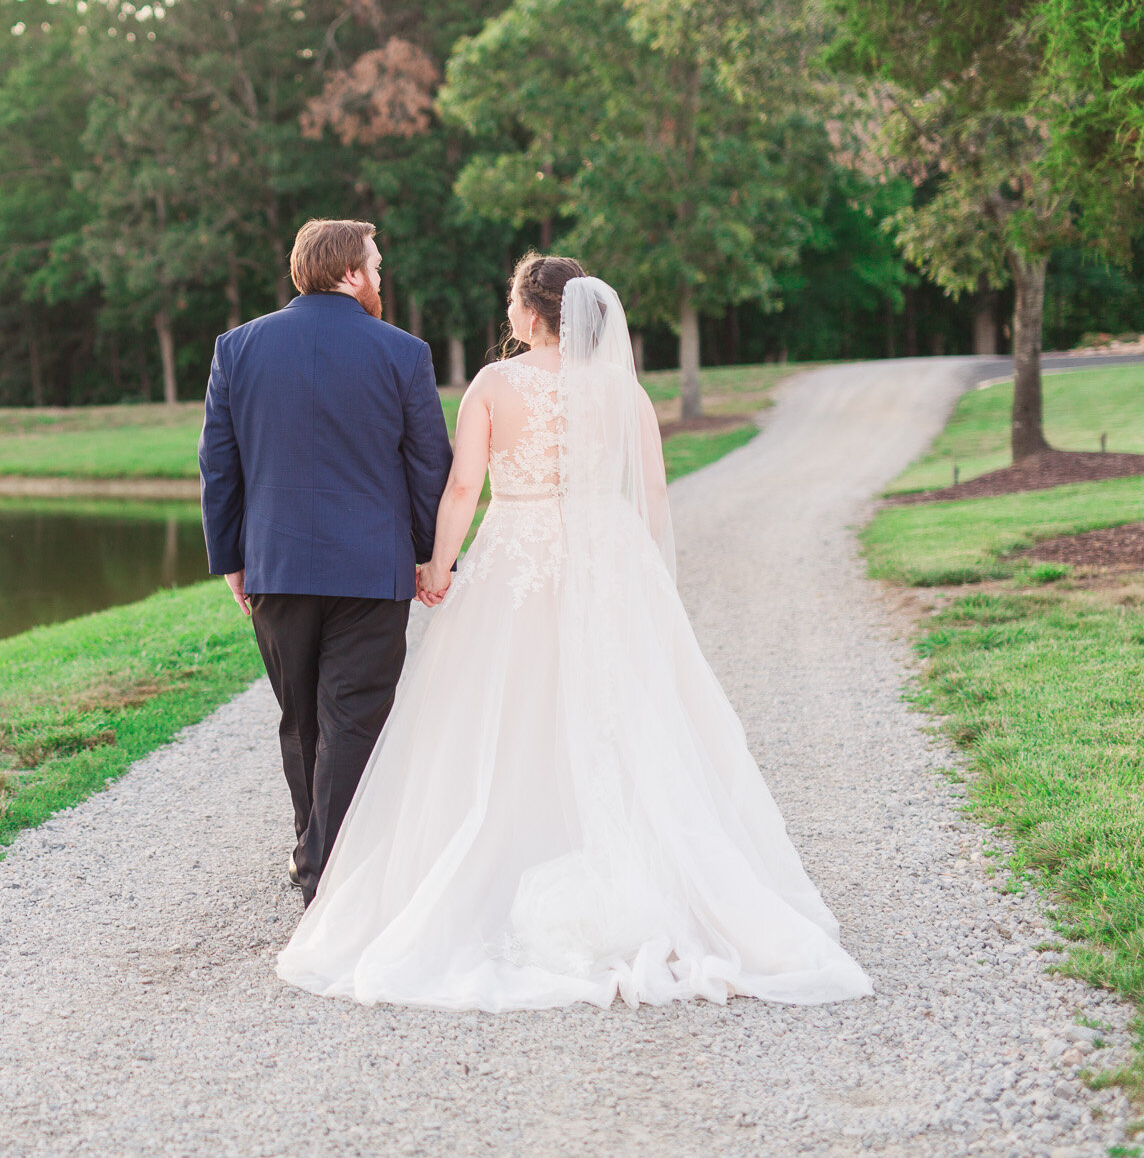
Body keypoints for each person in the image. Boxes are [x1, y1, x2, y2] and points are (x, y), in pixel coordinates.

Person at [275, 254, 874, 1010]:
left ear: (531, 312)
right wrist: (645, 577)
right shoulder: (624, 390)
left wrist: (438, 565)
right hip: (605, 555)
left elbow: (464, 486)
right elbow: (652, 492)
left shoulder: (494, 385)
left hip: (518, 557)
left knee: (504, 711)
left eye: (511, 302)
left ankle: (497, 862)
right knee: (619, 714)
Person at [199, 219, 452, 906]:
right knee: (352, 718)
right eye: (375, 265)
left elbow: (219, 466)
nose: (381, 277)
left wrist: (231, 558)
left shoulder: (238, 348)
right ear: (348, 273)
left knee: (302, 717)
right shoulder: (405, 353)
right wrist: (432, 556)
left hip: (275, 566)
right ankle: (327, 874)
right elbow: (429, 465)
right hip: (374, 571)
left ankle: (314, 851)